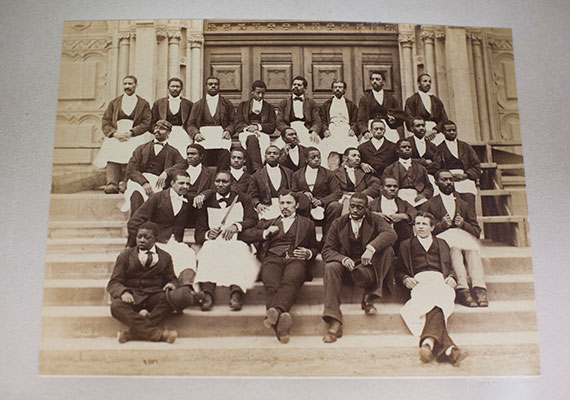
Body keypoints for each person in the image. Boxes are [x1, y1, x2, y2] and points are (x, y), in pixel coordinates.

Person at [240, 191, 319, 344]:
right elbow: (245, 235)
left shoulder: (307, 223)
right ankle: (281, 320)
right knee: (271, 285)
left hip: (295, 259)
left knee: (290, 281)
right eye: (282, 203)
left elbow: (315, 247)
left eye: (289, 203)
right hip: (272, 259)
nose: (285, 206)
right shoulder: (268, 222)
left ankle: (275, 313)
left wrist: (309, 253)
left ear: (296, 205)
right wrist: (264, 233)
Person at [321, 193, 397, 343]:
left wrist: (371, 248)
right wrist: (342, 259)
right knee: (330, 267)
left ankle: (370, 297)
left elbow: (391, 233)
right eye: (352, 206)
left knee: (388, 251)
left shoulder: (375, 219)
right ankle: (334, 320)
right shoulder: (339, 223)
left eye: (359, 207)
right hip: (347, 268)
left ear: (367, 209)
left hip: (368, 268)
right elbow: (327, 250)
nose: (355, 210)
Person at [397, 212, 467, 366]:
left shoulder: (442, 243)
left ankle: (429, 343)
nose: (420, 227)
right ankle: (448, 348)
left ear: (432, 227)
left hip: (440, 280)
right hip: (420, 281)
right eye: (417, 224)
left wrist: (452, 277)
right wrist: (405, 278)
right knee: (432, 302)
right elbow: (399, 270)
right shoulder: (406, 245)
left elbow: (451, 267)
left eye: (424, 224)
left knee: (441, 299)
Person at [194, 171, 259, 312]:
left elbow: (253, 220)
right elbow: (198, 232)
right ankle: (207, 294)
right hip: (215, 242)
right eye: (218, 181)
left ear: (232, 183)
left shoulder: (243, 198)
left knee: (240, 251)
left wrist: (237, 226)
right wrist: (207, 234)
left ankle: (236, 293)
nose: (221, 185)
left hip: (237, 240)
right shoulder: (206, 202)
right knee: (207, 250)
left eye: (225, 182)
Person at [421, 170, 488, 308]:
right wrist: (441, 225)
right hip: (443, 240)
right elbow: (423, 231)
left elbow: (476, 231)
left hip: (461, 236)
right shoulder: (430, 204)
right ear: (436, 182)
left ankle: (479, 287)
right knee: (455, 249)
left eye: (450, 180)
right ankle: (462, 289)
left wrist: (463, 224)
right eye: (444, 180)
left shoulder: (464, 204)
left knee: (473, 249)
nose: (448, 183)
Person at [108, 222, 179, 343]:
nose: (141, 240)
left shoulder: (165, 257)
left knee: (170, 299)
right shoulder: (125, 256)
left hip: (153, 296)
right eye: (139, 236)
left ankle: (132, 334)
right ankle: (159, 335)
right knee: (116, 306)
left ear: (156, 239)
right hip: (132, 297)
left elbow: (172, 278)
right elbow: (114, 282)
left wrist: (172, 284)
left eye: (147, 237)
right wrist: (123, 292)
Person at [126, 170, 197, 281]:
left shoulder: (187, 200)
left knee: (188, 254)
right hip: (158, 242)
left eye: (188, 184)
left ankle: (184, 287)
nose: (185, 186)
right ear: (172, 184)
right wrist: (143, 242)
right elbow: (134, 222)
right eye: (181, 183)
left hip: (175, 242)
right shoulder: (157, 198)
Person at [94, 75, 152, 194]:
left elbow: (146, 122)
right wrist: (114, 133)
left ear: (136, 85)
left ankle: (127, 183)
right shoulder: (114, 103)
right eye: (125, 84)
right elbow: (106, 121)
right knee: (112, 156)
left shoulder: (143, 103)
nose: (127, 86)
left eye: (130, 84)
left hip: (134, 135)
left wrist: (132, 132)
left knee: (133, 157)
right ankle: (112, 183)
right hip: (117, 134)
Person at [122, 120, 186, 216]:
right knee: (136, 195)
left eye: (161, 129)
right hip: (139, 180)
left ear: (168, 133)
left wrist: (167, 172)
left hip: (158, 182)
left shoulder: (173, 151)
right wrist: (144, 182)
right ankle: (135, 225)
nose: (157, 130)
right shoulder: (141, 148)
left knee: (156, 201)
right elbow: (131, 169)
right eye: (156, 127)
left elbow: (182, 164)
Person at [291, 147, 342, 238]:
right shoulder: (297, 175)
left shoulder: (329, 174)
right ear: (306, 159)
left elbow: (337, 192)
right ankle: (305, 240)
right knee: (300, 206)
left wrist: (322, 201)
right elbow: (293, 192)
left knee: (336, 206)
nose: (317, 159)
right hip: (305, 205)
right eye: (313, 157)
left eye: (318, 157)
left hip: (324, 205)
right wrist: (303, 194)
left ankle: (327, 240)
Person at [187, 76, 234, 170]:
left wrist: (228, 131)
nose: (213, 86)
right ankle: (204, 177)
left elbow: (232, 121)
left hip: (221, 134)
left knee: (224, 153)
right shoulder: (198, 104)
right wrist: (195, 133)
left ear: (219, 86)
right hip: (204, 134)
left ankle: (221, 176)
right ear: (205, 86)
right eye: (210, 84)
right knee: (200, 153)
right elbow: (190, 124)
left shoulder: (227, 103)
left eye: (215, 84)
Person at [437, 120, 481, 209]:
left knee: (469, 206)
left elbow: (476, 165)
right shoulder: (439, 148)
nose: (452, 132)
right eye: (449, 130)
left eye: (454, 130)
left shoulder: (466, 147)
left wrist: (466, 175)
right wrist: (447, 176)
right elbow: (437, 167)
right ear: (443, 132)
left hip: (465, 180)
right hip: (448, 181)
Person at [235, 80, 276, 172]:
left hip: (262, 133)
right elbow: (238, 123)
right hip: (246, 132)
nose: (260, 96)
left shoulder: (269, 107)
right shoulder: (243, 105)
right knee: (252, 139)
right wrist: (248, 128)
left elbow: (272, 126)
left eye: (263, 93)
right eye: (258, 93)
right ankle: (258, 169)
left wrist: (258, 127)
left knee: (261, 141)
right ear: (252, 92)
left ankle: (253, 170)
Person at [369, 176, 417, 254]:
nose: (392, 188)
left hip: (401, 238)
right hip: (380, 237)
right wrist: (376, 215)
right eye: (388, 186)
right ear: (381, 188)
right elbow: (363, 214)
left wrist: (404, 216)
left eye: (395, 186)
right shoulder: (372, 204)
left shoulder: (403, 203)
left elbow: (415, 213)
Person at [330, 147, 381, 218]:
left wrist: (360, 194)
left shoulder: (364, 172)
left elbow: (376, 184)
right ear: (345, 158)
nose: (357, 158)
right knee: (346, 203)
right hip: (343, 199)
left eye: (359, 156)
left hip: (361, 198)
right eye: (354, 156)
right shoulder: (334, 173)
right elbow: (334, 190)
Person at [382, 138, 434, 208]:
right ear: (397, 150)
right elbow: (384, 188)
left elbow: (429, 187)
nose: (407, 149)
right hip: (398, 196)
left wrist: (423, 195)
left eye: (409, 147)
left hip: (417, 196)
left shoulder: (421, 168)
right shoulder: (389, 169)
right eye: (404, 147)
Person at [319, 80, 359, 169]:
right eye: (335, 87)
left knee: (351, 146)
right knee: (330, 148)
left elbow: (355, 120)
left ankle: (347, 170)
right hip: (332, 128)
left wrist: (353, 129)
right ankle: (332, 171)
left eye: (340, 87)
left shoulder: (351, 104)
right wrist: (325, 130)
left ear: (344, 90)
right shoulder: (326, 104)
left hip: (346, 129)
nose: (337, 89)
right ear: (332, 89)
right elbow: (323, 120)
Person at [150, 77, 194, 158]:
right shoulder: (159, 103)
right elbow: (152, 121)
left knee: (181, 155)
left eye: (177, 87)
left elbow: (192, 122)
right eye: (172, 86)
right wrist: (158, 132)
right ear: (168, 87)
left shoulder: (188, 104)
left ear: (181, 88)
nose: (175, 89)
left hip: (181, 133)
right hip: (164, 133)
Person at [248, 145, 294, 220]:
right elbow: (252, 196)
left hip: (286, 206)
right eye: (269, 153)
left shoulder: (289, 173)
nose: (272, 155)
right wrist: (257, 204)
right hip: (266, 207)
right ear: (265, 156)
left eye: (275, 153)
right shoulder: (256, 175)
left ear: (280, 156)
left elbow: (294, 191)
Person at [165, 143, 216, 211]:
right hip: (180, 203)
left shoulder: (210, 172)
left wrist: (202, 195)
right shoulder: (179, 170)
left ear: (201, 156)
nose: (189, 156)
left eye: (193, 154)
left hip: (200, 205)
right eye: (188, 154)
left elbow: (213, 189)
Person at [276, 76, 322, 147]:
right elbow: (279, 121)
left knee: (314, 146)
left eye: (299, 85)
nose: (296, 86)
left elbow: (317, 121)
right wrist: (287, 130)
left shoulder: (311, 103)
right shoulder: (284, 103)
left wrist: (314, 131)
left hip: (306, 129)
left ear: (305, 88)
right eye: (294, 84)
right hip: (289, 128)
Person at [357, 72, 403, 143]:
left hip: (388, 127)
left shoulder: (391, 98)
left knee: (394, 145)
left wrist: (394, 121)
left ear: (383, 81)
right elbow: (360, 119)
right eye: (372, 79)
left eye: (377, 79)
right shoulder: (365, 99)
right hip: (370, 127)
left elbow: (400, 116)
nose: (374, 81)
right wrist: (365, 131)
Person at [404, 74, 449, 145]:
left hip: (435, 132)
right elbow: (409, 119)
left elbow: (444, 119)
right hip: (418, 131)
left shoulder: (436, 101)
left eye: (429, 82)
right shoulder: (412, 100)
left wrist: (435, 130)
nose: (427, 83)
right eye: (425, 81)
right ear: (418, 83)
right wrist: (422, 131)